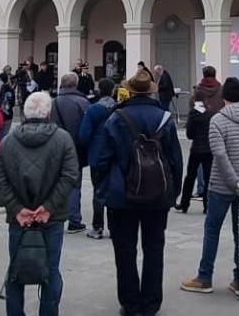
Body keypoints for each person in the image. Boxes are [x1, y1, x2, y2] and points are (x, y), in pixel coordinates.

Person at [93, 69, 183, 316]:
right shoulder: (165, 118)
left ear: (129, 91)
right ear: (151, 91)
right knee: (154, 249)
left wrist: (103, 190)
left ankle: (130, 303)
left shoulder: (116, 118)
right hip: (157, 195)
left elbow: (102, 159)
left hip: (121, 197)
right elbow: (176, 159)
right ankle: (151, 302)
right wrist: (173, 192)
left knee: (125, 250)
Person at [0, 91, 78, 316]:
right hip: (52, 217)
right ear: (49, 113)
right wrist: (48, 207)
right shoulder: (63, 139)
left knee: (15, 270)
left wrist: (17, 208)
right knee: (51, 270)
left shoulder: (8, 140)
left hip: (19, 218)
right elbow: (70, 176)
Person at [180, 77, 239, 295]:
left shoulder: (218, 121)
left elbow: (219, 155)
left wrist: (234, 182)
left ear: (224, 97)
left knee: (212, 230)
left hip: (221, 186)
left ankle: (204, 277)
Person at [51, 72, 90, 233]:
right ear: (76, 84)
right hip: (75, 148)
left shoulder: (53, 102)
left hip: (55, 148)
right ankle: (74, 219)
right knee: (74, 184)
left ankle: (55, 215)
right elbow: (87, 129)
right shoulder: (83, 102)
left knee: (56, 182)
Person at [78, 78, 116, 239]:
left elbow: (83, 135)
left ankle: (98, 226)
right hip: (116, 154)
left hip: (98, 154)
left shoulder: (93, 110)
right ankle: (115, 227)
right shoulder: (118, 108)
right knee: (115, 190)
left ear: (99, 90)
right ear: (113, 90)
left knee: (98, 191)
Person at [176, 87, 214, 214]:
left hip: (197, 149)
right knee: (208, 177)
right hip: (209, 149)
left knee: (190, 177)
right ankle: (207, 205)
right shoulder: (210, 113)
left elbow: (189, 134)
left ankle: (184, 203)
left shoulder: (193, 113)